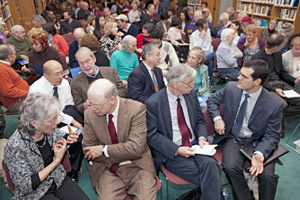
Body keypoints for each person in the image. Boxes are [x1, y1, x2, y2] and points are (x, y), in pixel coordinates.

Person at [207, 59, 283, 200]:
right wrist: (217, 119)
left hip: (259, 140)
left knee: (268, 176)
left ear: (257, 81)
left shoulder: (275, 104)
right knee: (230, 167)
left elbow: (272, 135)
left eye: (244, 76)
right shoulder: (231, 88)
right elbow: (212, 101)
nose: (238, 78)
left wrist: (259, 153)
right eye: (240, 74)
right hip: (235, 138)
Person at [145, 63, 221, 200]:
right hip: (172, 151)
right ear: (175, 83)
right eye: (189, 83)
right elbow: (152, 136)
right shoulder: (153, 103)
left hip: (195, 145)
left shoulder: (191, 95)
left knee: (211, 166)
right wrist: (177, 150)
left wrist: (202, 138)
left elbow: (199, 120)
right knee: (212, 175)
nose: (193, 85)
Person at [4, 93, 89, 200]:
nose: (57, 122)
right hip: (35, 193)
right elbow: (26, 186)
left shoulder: (48, 130)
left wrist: (70, 138)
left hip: (57, 178)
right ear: (34, 123)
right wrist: (56, 161)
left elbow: (61, 136)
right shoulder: (15, 147)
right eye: (52, 120)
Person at [82, 79, 157, 200]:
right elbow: (88, 150)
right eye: (90, 103)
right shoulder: (89, 114)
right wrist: (123, 151)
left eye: (97, 105)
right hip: (107, 167)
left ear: (112, 100)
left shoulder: (136, 109)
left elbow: (136, 149)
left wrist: (103, 150)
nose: (93, 109)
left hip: (137, 165)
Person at [29, 60, 84, 182]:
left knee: (78, 133)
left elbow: (69, 103)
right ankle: (66, 169)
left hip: (63, 115)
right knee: (73, 133)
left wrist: (74, 121)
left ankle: (74, 167)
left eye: (62, 72)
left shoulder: (64, 82)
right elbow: (49, 112)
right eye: (56, 74)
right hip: (45, 123)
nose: (61, 77)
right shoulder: (36, 90)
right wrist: (73, 121)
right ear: (46, 75)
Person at [252, 33, 300, 117]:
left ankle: (276, 115)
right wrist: (275, 89)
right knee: (282, 105)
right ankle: (276, 116)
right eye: (282, 45)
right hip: (267, 87)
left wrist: (294, 80)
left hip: (280, 83)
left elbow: (282, 72)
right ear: (276, 46)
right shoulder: (258, 58)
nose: (283, 47)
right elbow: (259, 81)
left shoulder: (277, 54)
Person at [71, 47, 127, 115]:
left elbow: (123, 91)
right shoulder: (75, 82)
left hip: (116, 110)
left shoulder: (111, 71)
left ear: (94, 58)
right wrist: (85, 105)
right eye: (81, 63)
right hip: (95, 115)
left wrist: (107, 101)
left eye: (87, 61)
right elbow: (78, 106)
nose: (85, 66)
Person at [0, 44, 29, 112]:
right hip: (15, 102)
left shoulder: (5, 66)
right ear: (9, 57)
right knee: (43, 105)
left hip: (21, 97)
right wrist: (28, 94)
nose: (16, 56)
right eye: (15, 54)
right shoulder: (2, 70)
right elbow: (8, 92)